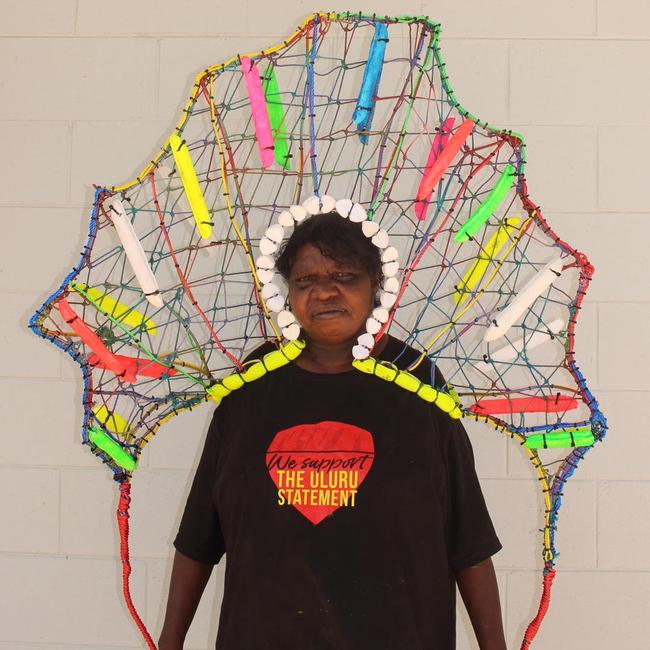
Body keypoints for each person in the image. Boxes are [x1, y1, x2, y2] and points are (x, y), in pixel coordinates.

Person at [159, 211, 506, 650]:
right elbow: (199, 537)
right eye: (305, 281)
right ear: (287, 291)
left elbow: (468, 539)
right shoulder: (252, 385)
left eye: (345, 275)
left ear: (375, 285)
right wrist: (170, 640)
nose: (325, 291)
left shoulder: (417, 382)